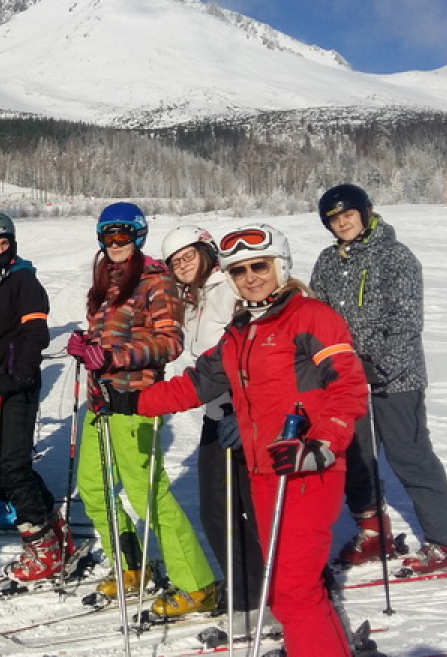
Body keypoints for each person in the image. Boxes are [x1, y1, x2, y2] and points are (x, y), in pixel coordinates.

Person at [126, 224, 369, 656]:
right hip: (264, 472)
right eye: (238, 271)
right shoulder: (241, 330)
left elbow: (348, 387)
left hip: (307, 468)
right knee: (286, 587)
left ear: (281, 267)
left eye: (260, 266)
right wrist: (134, 402)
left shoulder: (312, 317)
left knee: (292, 590)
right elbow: (198, 384)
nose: (250, 277)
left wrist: (322, 442)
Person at [64, 204, 217, 616]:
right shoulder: (104, 281)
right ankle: (131, 566)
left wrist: (112, 357)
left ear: (139, 236)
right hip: (101, 403)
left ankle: (198, 583)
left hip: (136, 401)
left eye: (124, 236)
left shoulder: (155, 280)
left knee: (148, 493)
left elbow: (170, 341)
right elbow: (104, 340)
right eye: (109, 237)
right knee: (93, 489)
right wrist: (86, 345)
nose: (116, 244)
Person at [312, 184, 447, 574]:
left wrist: (377, 366)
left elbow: (405, 323)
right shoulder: (328, 261)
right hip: (347, 377)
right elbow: (319, 317)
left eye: (349, 213)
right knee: (355, 456)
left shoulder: (395, 257)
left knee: (409, 455)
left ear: (366, 212)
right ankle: (372, 533)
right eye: (334, 218)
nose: (343, 222)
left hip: (395, 378)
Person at [161, 224, 270, 631]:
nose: (183, 266)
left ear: (206, 252)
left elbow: (249, 353)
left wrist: (247, 414)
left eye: (188, 256)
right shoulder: (196, 298)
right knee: (218, 512)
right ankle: (245, 595)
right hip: (217, 415)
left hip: (246, 417)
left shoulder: (229, 289)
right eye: (176, 262)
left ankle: (269, 599)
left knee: (248, 513)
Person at [0, 212, 71, 582]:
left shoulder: (24, 280)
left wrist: (18, 375)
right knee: (4, 464)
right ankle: (54, 530)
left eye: (6, 244)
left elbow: (35, 333)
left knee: (12, 467)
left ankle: (41, 546)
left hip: (15, 387)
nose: (1, 251)